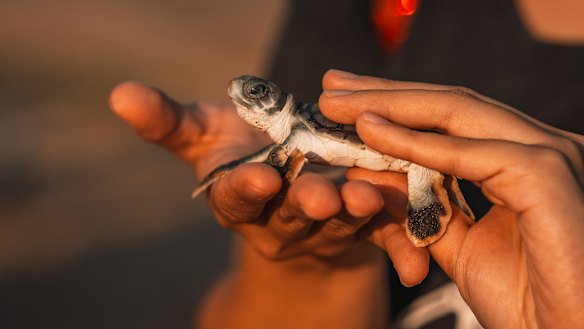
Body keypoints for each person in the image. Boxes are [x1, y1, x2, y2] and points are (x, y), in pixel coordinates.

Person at [109, 0, 584, 328]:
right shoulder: (358, 15)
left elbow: (278, 161)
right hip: (379, 168)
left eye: (255, 93)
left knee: (422, 179)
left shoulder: (296, 135)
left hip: (398, 153)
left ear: (274, 105)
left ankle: (428, 201)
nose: (246, 97)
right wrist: (315, 260)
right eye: (246, 93)